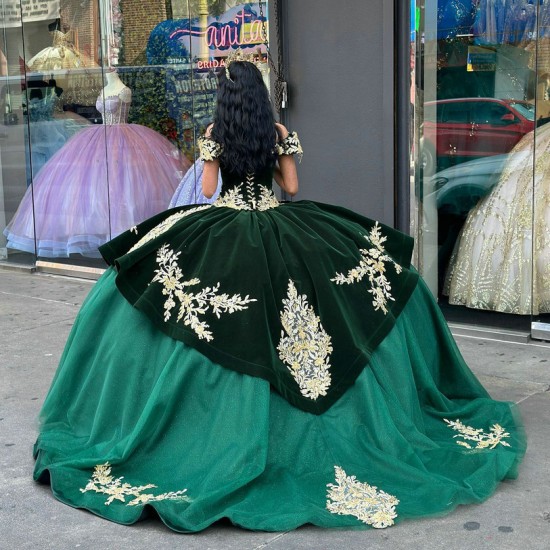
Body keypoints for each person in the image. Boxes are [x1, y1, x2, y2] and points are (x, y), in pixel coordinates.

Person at [34, 50, 525, 532]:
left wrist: (212, 154)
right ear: (261, 99)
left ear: (225, 101)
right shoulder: (278, 133)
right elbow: (290, 187)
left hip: (224, 225)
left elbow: (207, 192)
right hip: (276, 220)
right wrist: (283, 148)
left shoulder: (214, 135)